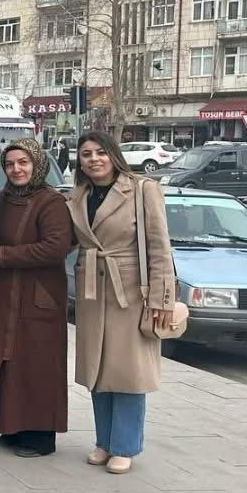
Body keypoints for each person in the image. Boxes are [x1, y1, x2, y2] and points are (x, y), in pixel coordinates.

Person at [68, 130, 176, 474]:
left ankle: (125, 445)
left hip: (130, 291)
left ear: (113, 155)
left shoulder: (142, 189)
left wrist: (162, 298)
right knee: (98, 369)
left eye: (100, 152)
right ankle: (104, 441)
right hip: (91, 288)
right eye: (87, 154)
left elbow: (159, 246)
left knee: (128, 371)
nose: (94, 159)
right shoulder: (78, 195)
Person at [0, 139, 72, 457]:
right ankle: (12, 427)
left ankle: (39, 436)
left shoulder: (51, 202)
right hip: (4, 294)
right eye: (10, 164)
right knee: (8, 363)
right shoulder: (2, 199)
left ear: (37, 164)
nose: (16, 169)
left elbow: (56, 247)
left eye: (23, 163)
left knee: (37, 366)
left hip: (38, 297)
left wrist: (3, 254)